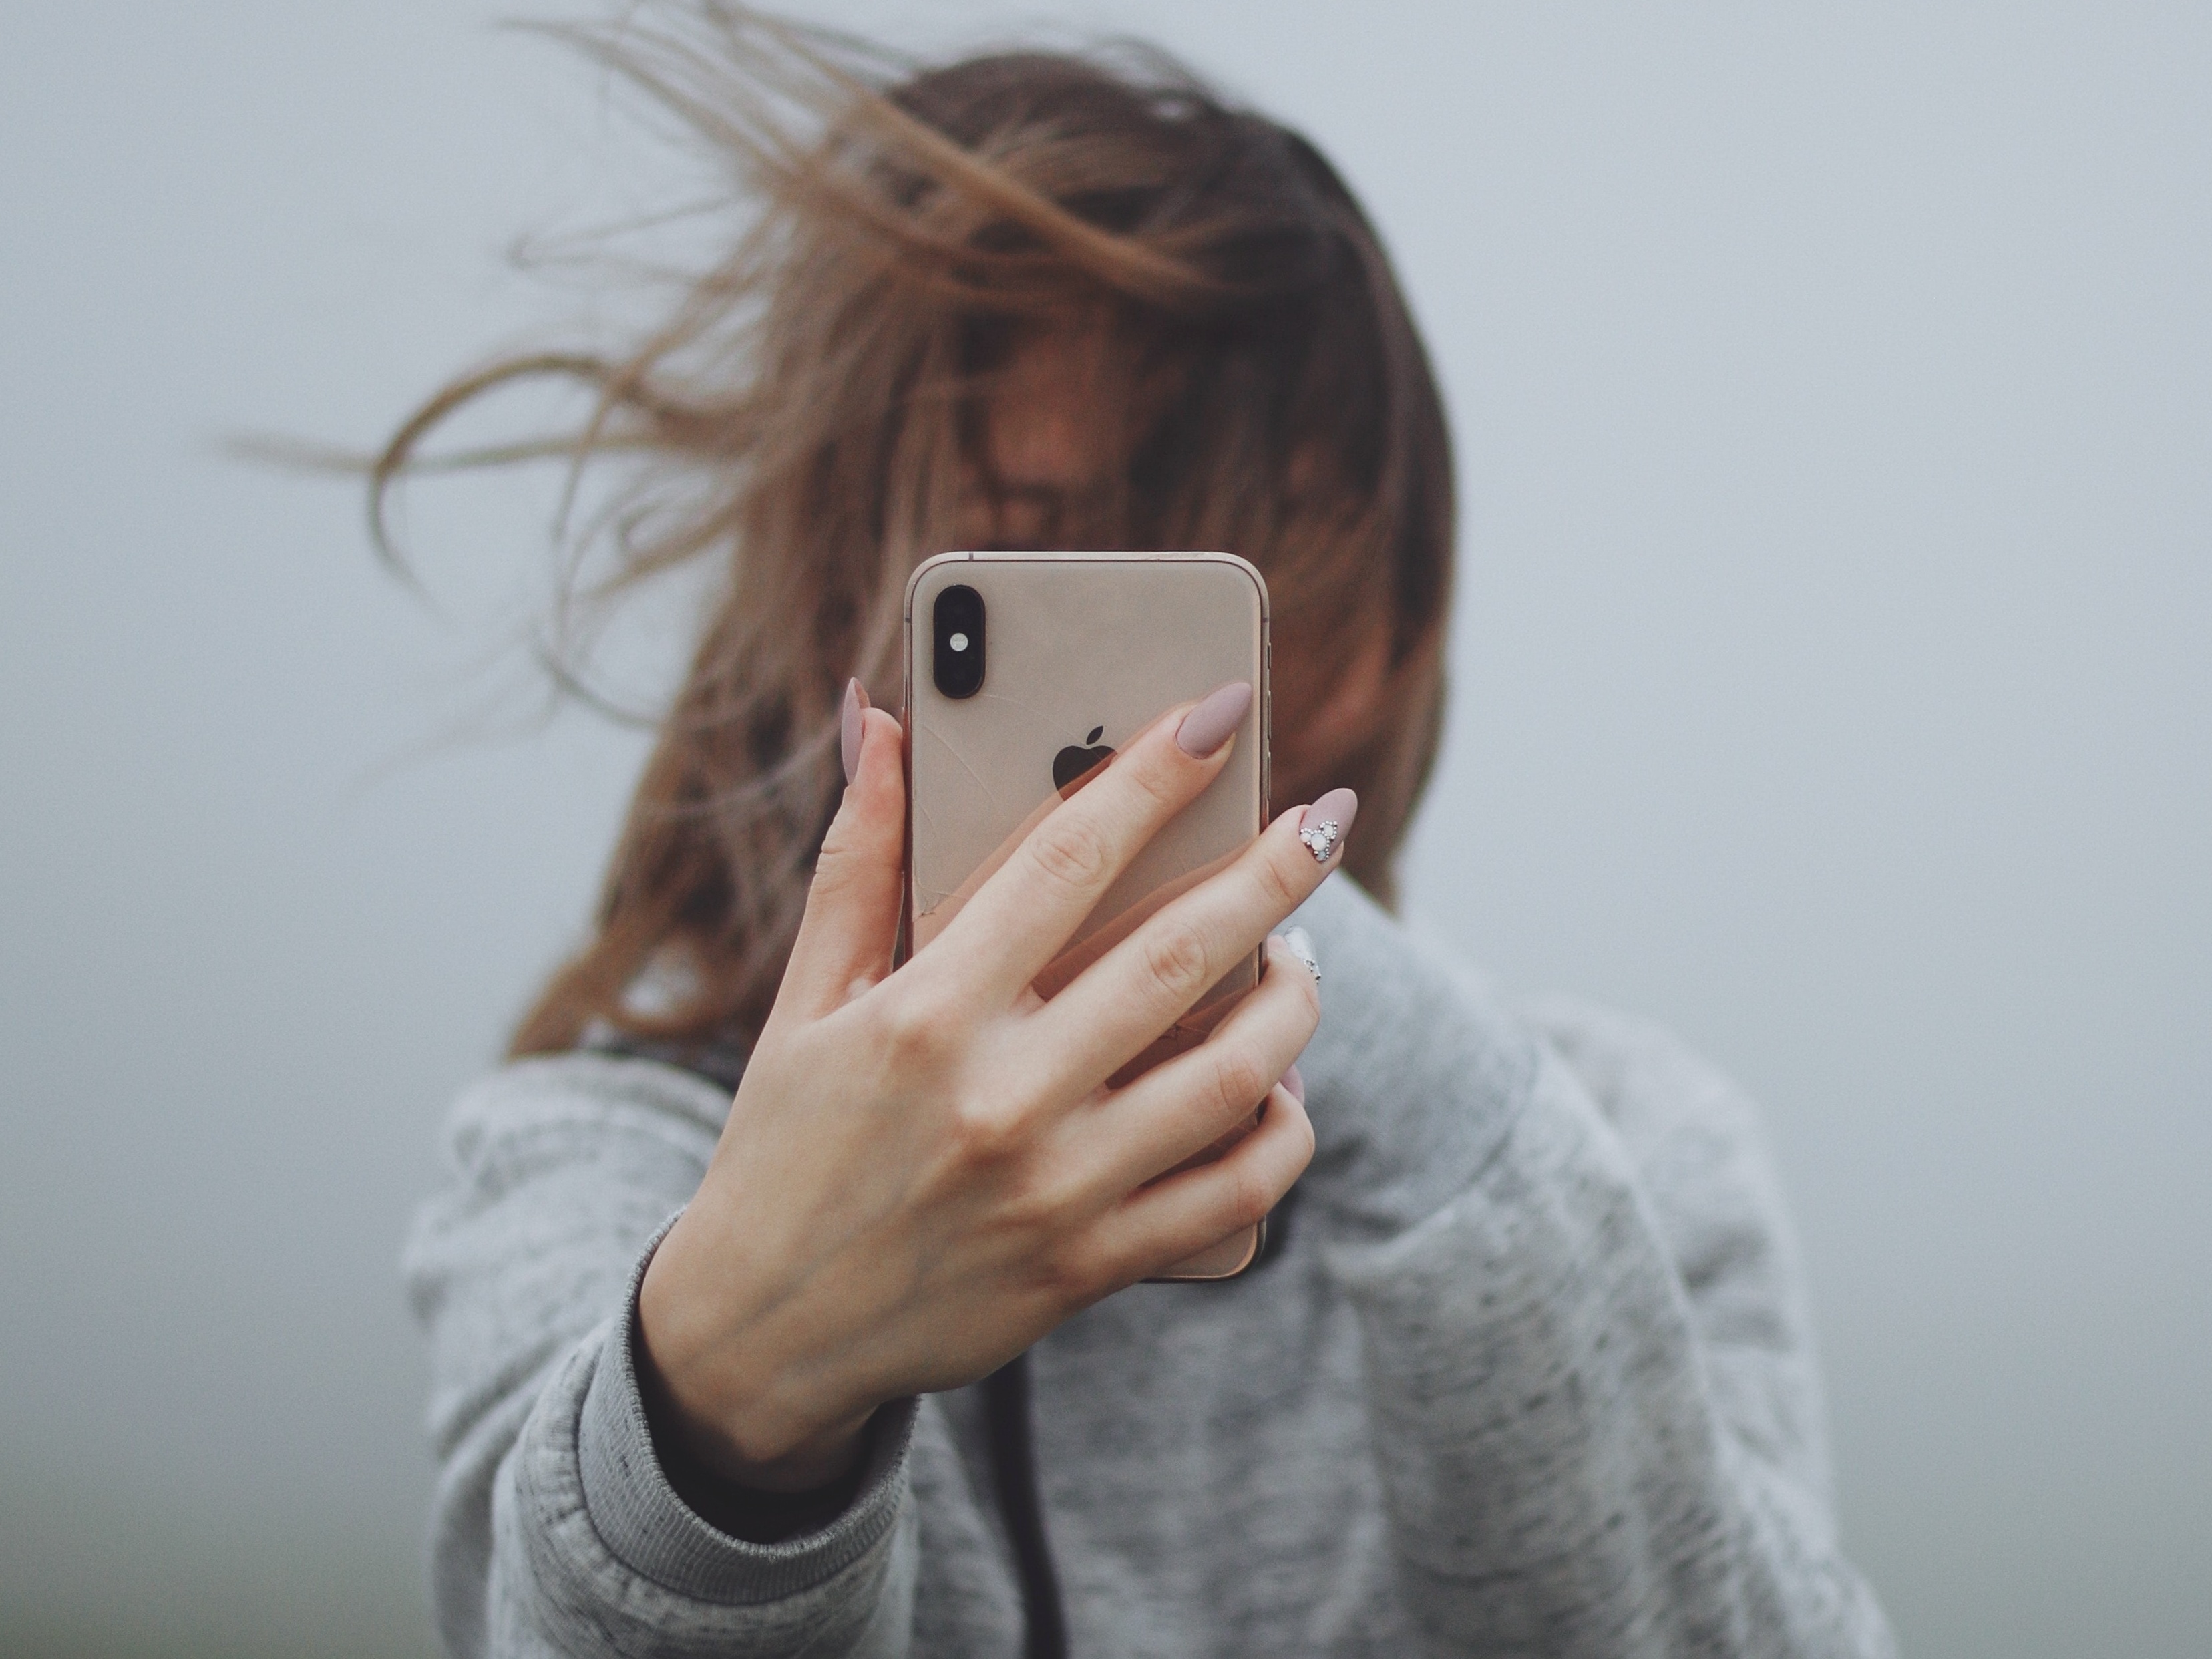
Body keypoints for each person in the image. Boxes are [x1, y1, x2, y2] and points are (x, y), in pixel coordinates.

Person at [400, 9, 1895, 1656]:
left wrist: (1420, 1082)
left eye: (1247, 590)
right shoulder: (596, 1169)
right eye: (1034, 559)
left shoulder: (1621, 1148)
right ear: (847, 593)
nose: (1130, 748)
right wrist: (733, 1401)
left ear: (1400, 628)